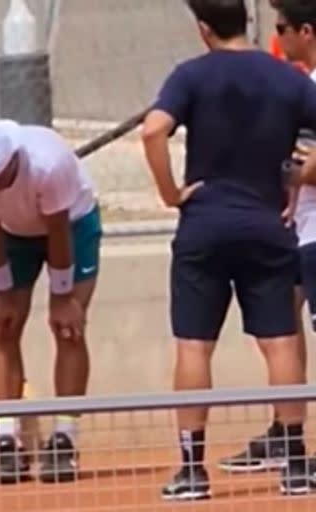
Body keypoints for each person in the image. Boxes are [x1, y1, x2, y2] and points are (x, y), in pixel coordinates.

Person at [141, 0, 316, 501]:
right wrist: (300, 177)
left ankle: (193, 470)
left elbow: (153, 128)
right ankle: (296, 464)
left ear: (203, 29)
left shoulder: (191, 76)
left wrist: (170, 193)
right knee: (280, 342)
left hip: (205, 225)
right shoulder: (287, 78)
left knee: (195, 345)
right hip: (267, 223)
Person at [0, 119, 102, 485]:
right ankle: (6, 440)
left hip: (72, 225)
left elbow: (59, 229)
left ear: (15, 161)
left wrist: (63, 295)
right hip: (10, 232)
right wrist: (0, 290)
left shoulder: (49, 164)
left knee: (68, 329)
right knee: (2, 328)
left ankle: (65, 437)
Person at [217, 0, 315, 476]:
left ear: (306, 31)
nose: (278, 38)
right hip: (295, 233)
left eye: (282, 29)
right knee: (279, 327)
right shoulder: (299, 85)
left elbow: (309, 166)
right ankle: (287, 431)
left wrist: (282, 169)